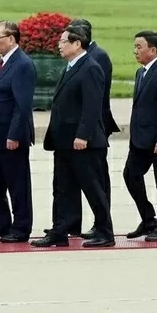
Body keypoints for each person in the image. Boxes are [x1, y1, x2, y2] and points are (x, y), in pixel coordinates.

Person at [32, 25, 114, 249]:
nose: (59, 45)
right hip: (64, 141)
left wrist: (83, 135)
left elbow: (92, 106)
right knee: (62, 188)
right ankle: (60, 230)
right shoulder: (71, 66)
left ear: (77, 44)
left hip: (82, 143)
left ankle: (105, 232)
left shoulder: (90, 68)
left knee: (93, 188)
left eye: (63, 41)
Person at [61, 18, 120, 239]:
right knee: (75, 180)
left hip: (95, 127)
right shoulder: (76, 59)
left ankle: (102, 224)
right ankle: (72, 222)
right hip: (78, 128)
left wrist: (87, 130)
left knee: (97, 180)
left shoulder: (97, 58)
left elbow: (97, 98)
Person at [0, 20, 36, 243]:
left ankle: (21, 227)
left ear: (12, 39)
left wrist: (14, 135)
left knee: (17, 183)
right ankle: (0, 222)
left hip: (11, 137)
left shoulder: (22, 64)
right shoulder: (1, 62)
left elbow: (22, 105)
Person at [122, 30, 157, 242]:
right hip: (140, 140)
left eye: (139, 47)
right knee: (130, 175)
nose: (135, 51)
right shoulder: (141, 72)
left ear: (153, 50)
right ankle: (148, 219)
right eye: (135, 46)